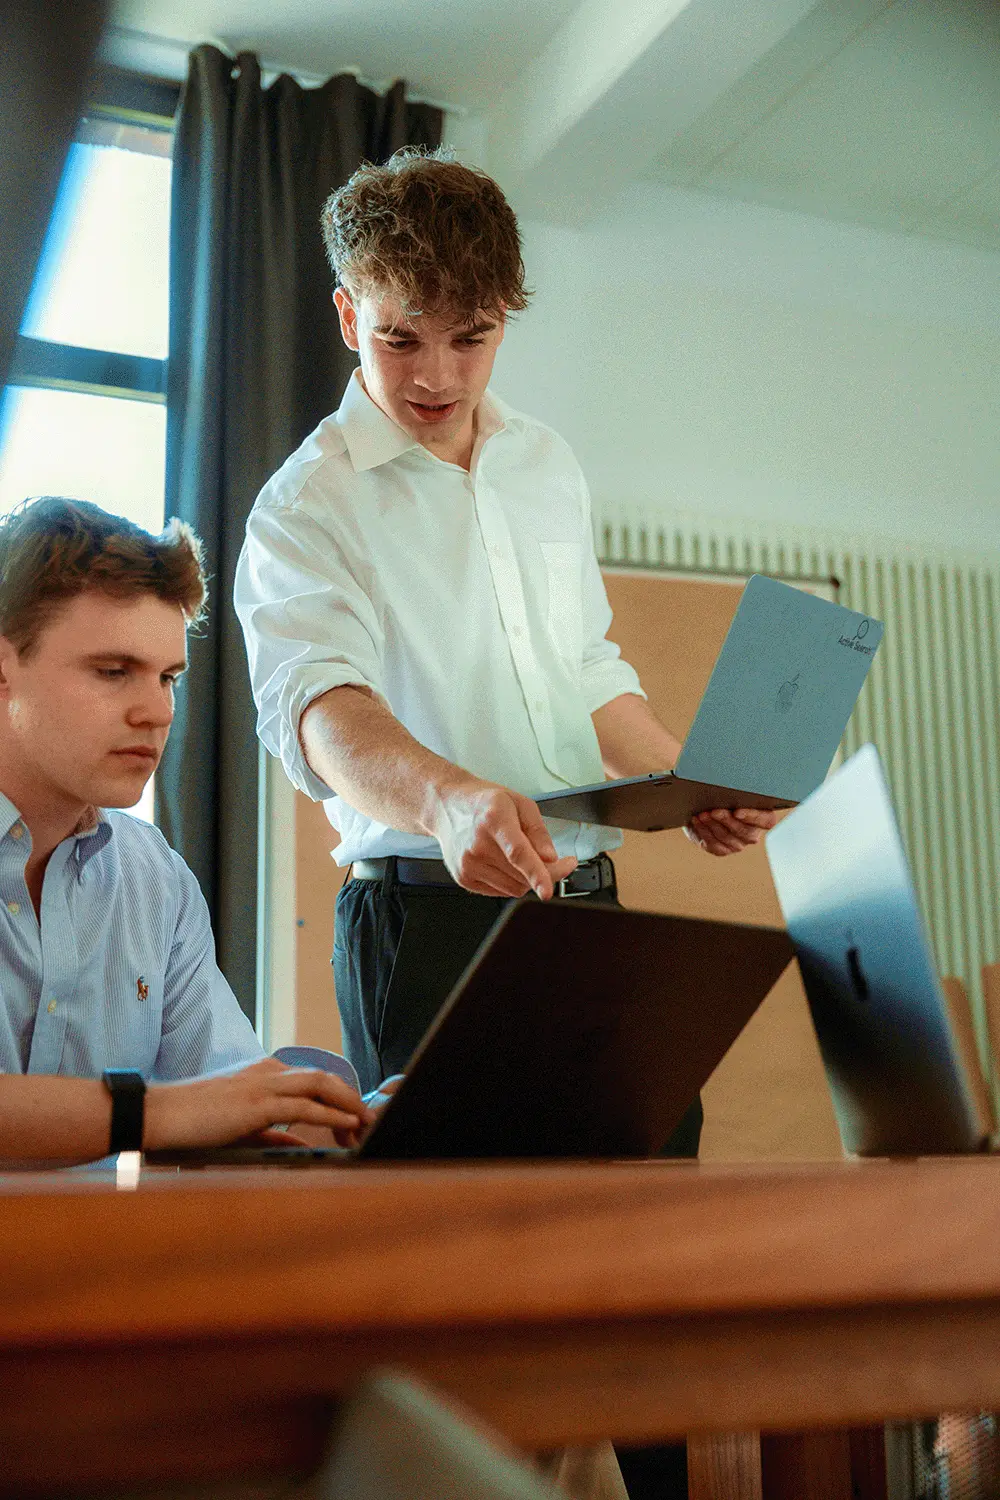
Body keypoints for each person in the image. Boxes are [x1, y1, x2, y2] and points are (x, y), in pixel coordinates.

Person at [234, 147, 776, 1129]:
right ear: (350, 314)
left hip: (588, 901)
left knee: (652, 1198)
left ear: (505, 321)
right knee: (473, 1239)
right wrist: (448, 803)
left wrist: (681, 780)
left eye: (470, 337)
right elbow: (321, 712)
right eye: (401, 339)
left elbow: (583, 665)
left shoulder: (546, 462)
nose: (437, 377)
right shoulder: (304, 506)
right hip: (425, 916)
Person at [0, 495, 375, 1163]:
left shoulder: (153, 877)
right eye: (113, 673)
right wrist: (159, 1112)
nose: (155, 712)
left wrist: (352, 1121)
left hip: (103, 1263)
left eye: (168, 677)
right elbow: (186, 1109)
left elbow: (224, 1108)